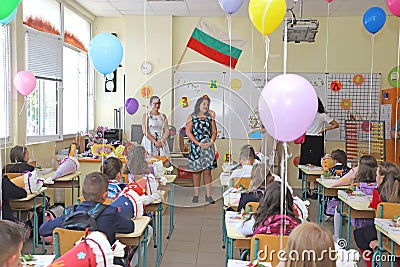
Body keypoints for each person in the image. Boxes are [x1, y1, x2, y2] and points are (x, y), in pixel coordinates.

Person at [39, 172, 134, 245]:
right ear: (105, 195)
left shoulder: (69, 213)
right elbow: (130, 227)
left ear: (83, 194)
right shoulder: (110, 213)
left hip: (73, 261)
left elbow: (43, 230)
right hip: (101, 261)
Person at [353, 162, 400, 267]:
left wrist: (380, 240)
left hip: (383, 232)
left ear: (382, 178)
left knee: (359, 234)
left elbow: (377, 218)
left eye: (377, 174)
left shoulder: (378, 193)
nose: (376, 177)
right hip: (397, 232)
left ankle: (371, 264)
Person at [299, 98, 339, 197]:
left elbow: (336, 125)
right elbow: (335, 125)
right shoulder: (319, 116)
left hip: (310, 140)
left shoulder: (319, 115)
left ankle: (309, 189)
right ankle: (313, 189)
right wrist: (324, 129)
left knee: (312, 162)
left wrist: (324, 129)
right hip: (315, 140)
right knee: (312, 162)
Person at [236, 181, 301, 236]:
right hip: (287, 251)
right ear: (290, 201)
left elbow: (240, 228)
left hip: (263, 251)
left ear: (265, 201)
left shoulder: (258, 222)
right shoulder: (296, 225)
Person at [186, 96, 217, 204]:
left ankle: (208, 195)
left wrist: (211, 142)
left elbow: (214, 132)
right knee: (196, 172)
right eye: (204, 104)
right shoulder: (192, 116)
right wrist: (198, 143)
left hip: (208, 148)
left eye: (207, 104)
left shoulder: (210, 117)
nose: (206, 106)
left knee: (207, 172)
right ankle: (196, 195)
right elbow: (188, 132)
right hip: (196, 147)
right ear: (199, 104)